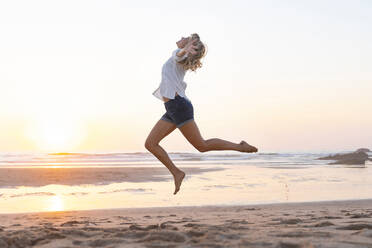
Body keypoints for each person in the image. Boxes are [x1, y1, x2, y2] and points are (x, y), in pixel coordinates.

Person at [145, 33, 258, 195]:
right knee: (150, 144)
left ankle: (241, 147)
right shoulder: (178, 59)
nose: (182, 36)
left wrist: (185, 49)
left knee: (202, 146)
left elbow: (179, 54)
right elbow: (179, 55)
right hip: (173, 107)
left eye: (187, 37)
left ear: (189, 45)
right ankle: (177, 173)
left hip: (178, 106)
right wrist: (185, 49)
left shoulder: (177, 56)